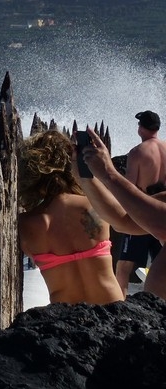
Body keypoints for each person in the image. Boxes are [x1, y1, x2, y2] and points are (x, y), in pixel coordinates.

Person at [18, 130, 124, 304]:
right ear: (71, 165)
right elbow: (123, 217)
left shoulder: (26, 223)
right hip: (113, 309)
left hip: (67, 317)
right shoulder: (93, 206)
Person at [78, 127, 166, 299]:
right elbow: (122, 221)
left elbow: (160, 224)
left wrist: (109, 173)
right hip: (158, 319)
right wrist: (87, 178)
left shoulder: (138, 152)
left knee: (124, 266)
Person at [114, 111, 166, 295]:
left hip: (142, 215)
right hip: (163, 214)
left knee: (123, 268)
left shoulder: (137, 152)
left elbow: (128, 189)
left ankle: (120, 306)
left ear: (140, 128)